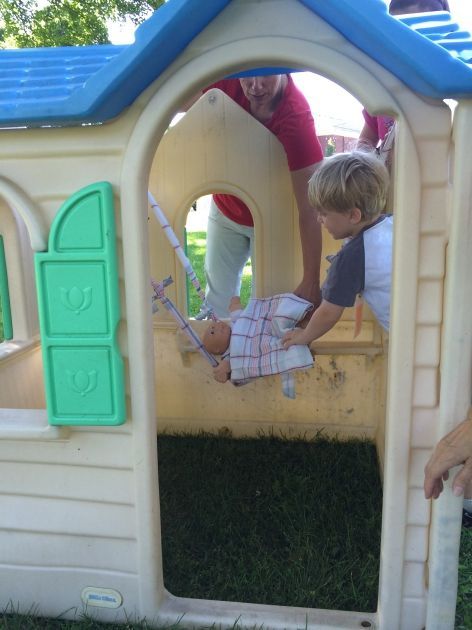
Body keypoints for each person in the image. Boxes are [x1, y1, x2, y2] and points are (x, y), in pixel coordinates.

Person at [199, 73, 324, 318]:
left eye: (266, 75)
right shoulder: (226, 80)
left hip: (270, 220)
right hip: (225, 209)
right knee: (217, 303)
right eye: (247, 76)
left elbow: (311, 207)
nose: (255, 86)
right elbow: (175, 99)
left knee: (267, 305)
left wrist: (311, 280)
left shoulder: (296, 119)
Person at [282, 150, 392, 350]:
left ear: (354, 216)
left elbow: (328, 313)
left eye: (324, 213)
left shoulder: (352, 258)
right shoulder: (393, 223)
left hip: (406, 338)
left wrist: (304, 336)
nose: (319, 219)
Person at [357, 0, 451, 155]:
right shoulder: (385, 88)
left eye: (422, 36)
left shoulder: (454, 89)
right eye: (400, 35)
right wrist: (362, 158)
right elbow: (366, 140)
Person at [202, 293, 314, 390]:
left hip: (264, 324)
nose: (215, 327)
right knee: (279, 343)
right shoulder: (232, 355)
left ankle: (297, 316)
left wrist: (234, 304)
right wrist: (222, 371)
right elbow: (229, 365)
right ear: (218, 349)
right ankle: (301, 331)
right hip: (262, 343)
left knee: (278, 318)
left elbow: (238, 312)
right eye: (212, 332)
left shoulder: (236, 323)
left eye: (213, 326)